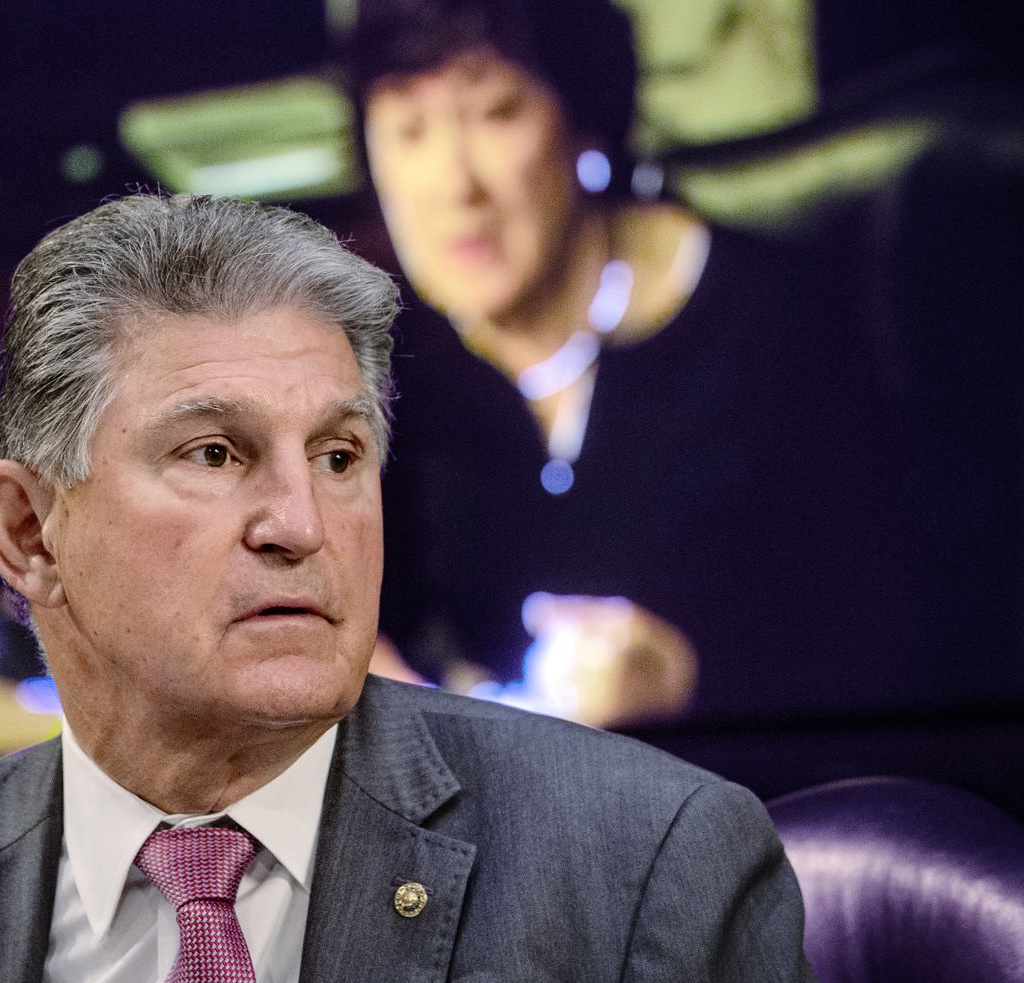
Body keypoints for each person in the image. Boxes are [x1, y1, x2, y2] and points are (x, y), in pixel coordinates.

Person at [0, 193, 816, 981]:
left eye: (339, 458)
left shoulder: (651, 868)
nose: (302, 525)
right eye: (213, 453)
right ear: (27, 531)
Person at [348, 0, 972, 725]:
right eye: (408, 130)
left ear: (583, 122)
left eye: (496, 112)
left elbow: (903, 653)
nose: (454, 184)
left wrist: (687, 683)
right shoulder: (380, 363)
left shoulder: (776, 331)